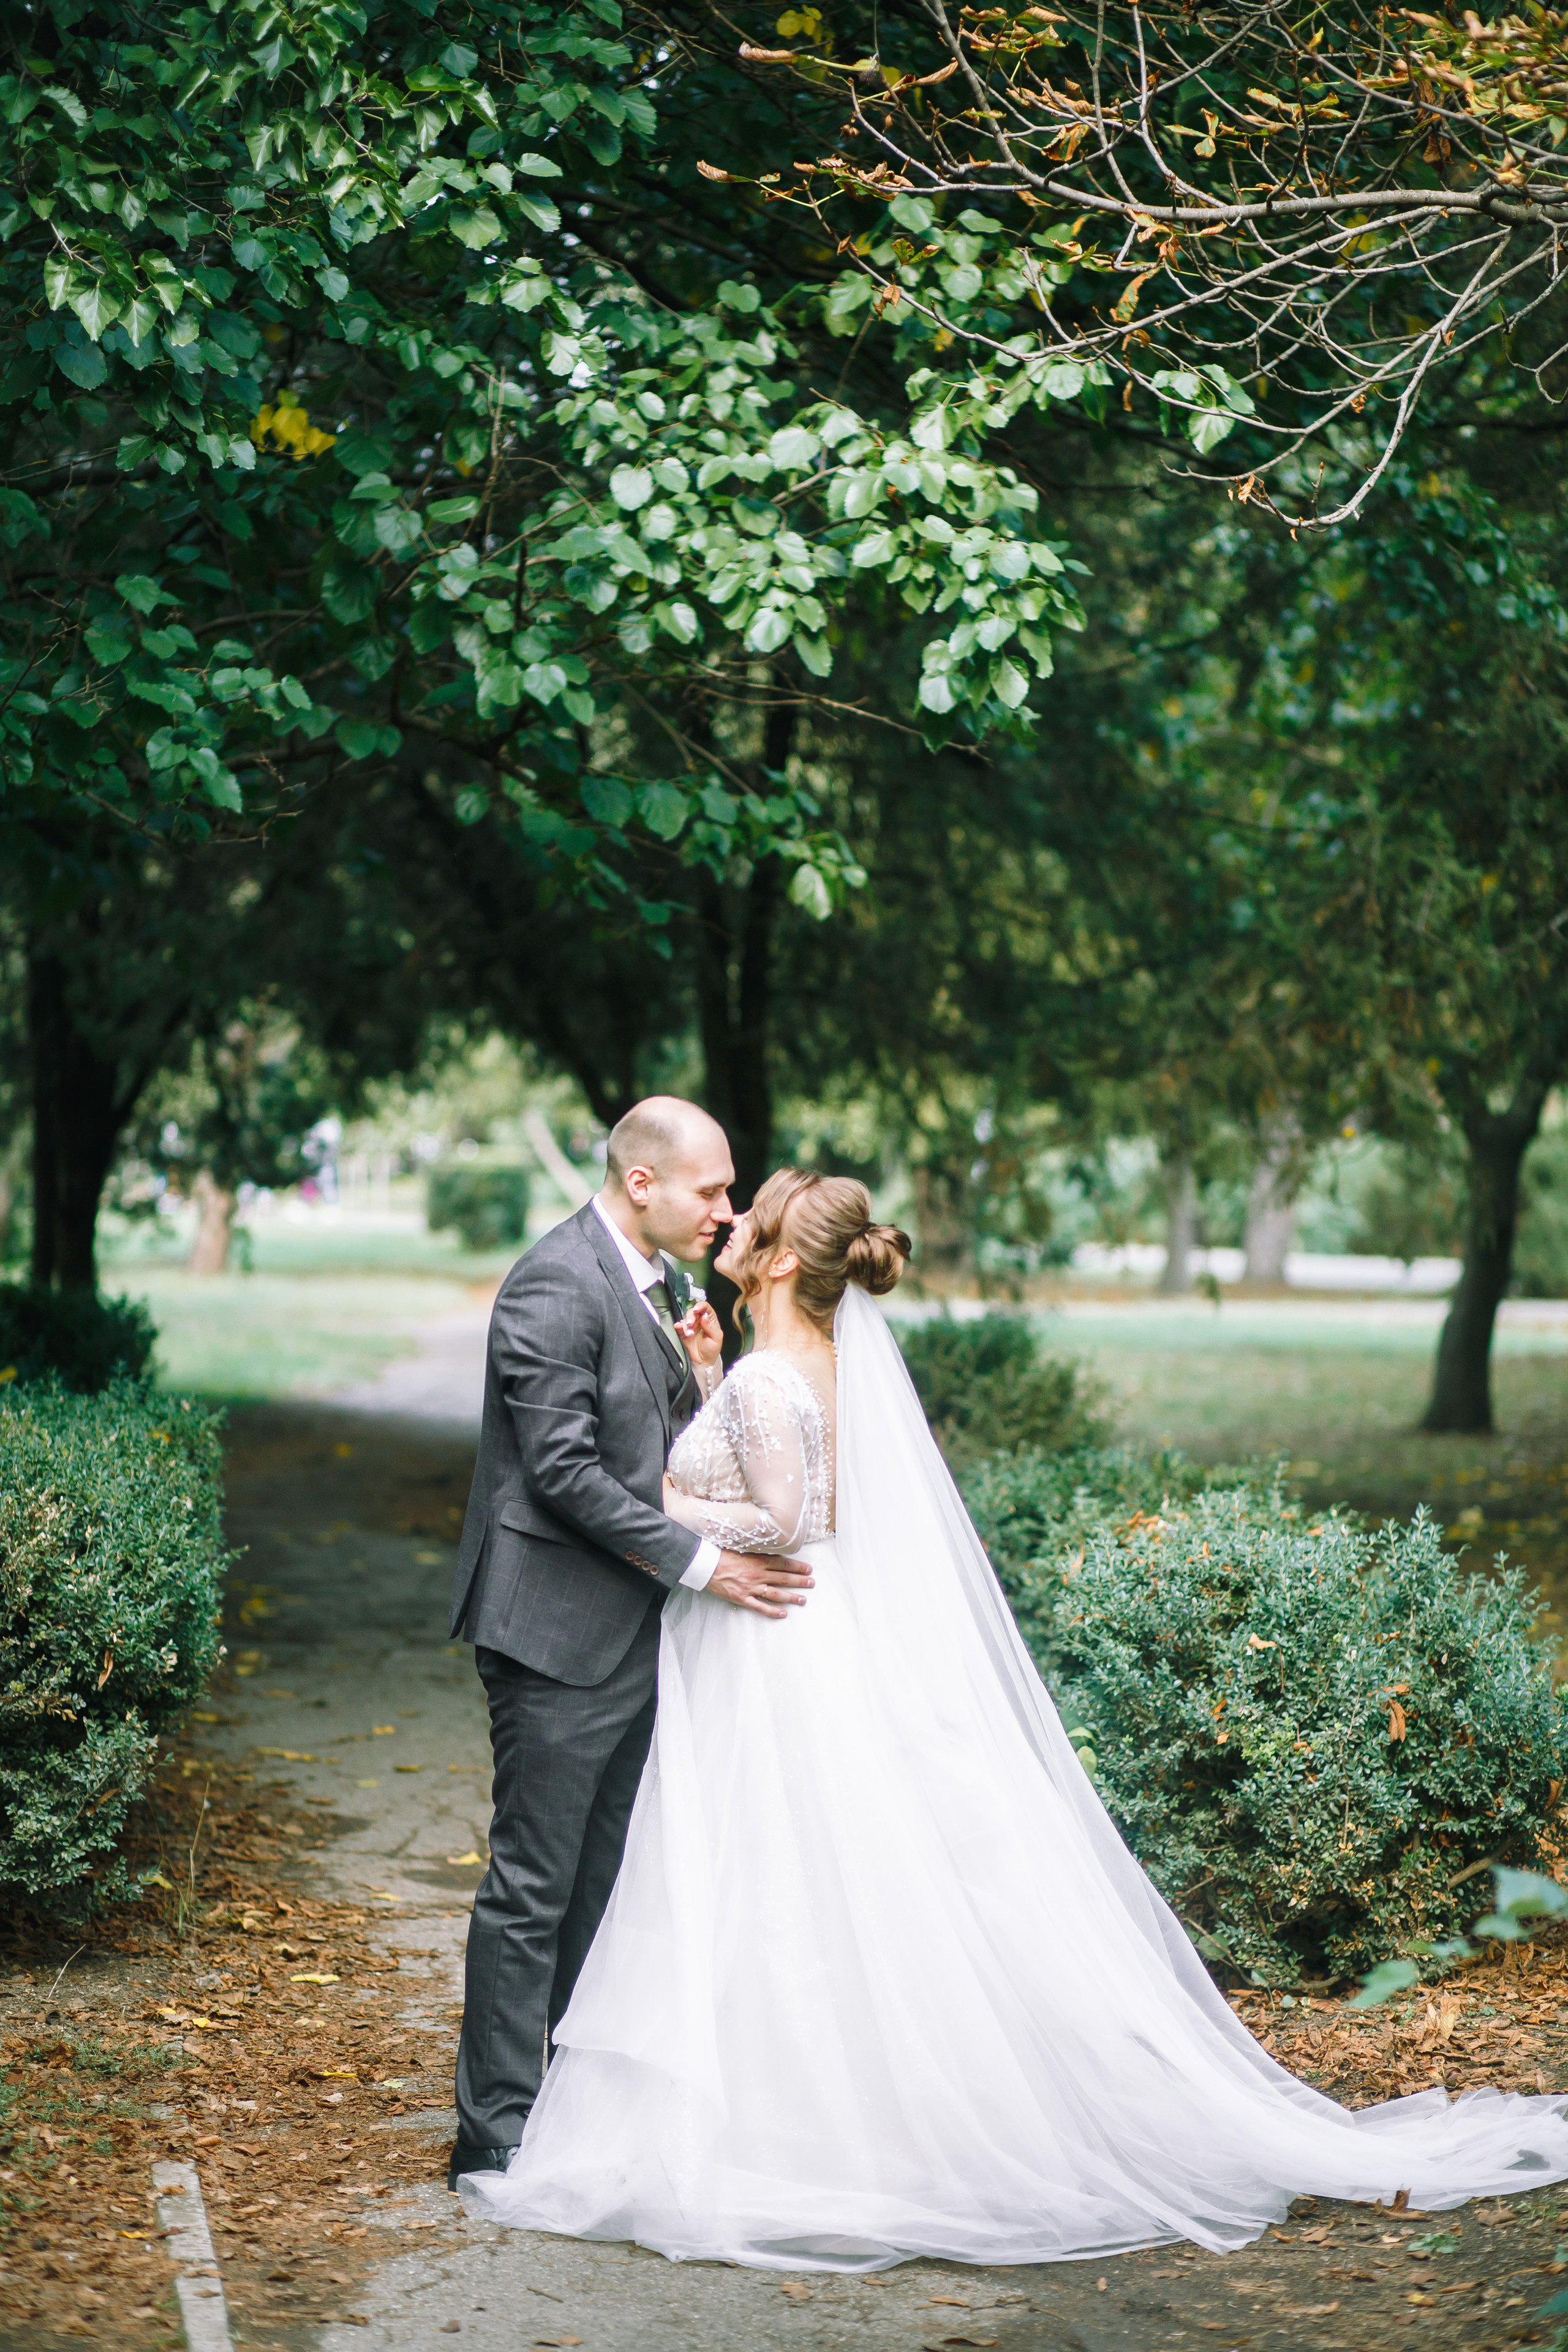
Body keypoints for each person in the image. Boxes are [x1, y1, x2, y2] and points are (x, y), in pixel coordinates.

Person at [458, 1168, 1568, 2269]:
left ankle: (773, 2121)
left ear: (786, 1259)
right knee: (794, 1876)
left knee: (766, 1872)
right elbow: (795, 1479)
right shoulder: (794, 1365)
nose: (731, 1219)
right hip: (784, 1634)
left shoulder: (770, 1378)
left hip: (767, 1636)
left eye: (750, 1212)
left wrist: (661, 1498)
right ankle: (806, 2104)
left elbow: (786, 1518)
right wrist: (708, 1377)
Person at [444, 1101, 814, 2192]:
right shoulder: (554, 1283)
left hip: (639, 1632)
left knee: (606, 1882)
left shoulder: (668, 1284)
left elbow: (665, 1453)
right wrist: (705, 1567)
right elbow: (559, 1474)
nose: (728, 1209)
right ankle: (494, 2136)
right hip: (556, 1630)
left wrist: (704, 1373)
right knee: (533, 1886)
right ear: (642, 1182)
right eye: (710, 1190)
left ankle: (566, 2110)